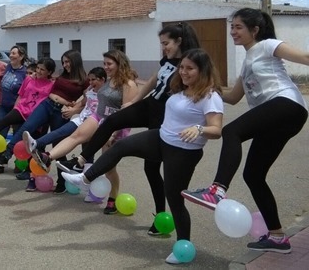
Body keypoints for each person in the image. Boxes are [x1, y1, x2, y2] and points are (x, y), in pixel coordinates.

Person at [182, 8, 309, 254]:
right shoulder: (247, 63)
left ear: (255, 30)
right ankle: (277, 237)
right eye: (232, 27)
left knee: (231, 131)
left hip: (287, 104)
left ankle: (216, 190)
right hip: (279, 118)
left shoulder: (268, 46)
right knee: (253, 175)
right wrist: (204, 86)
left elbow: (306, 58)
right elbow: (233, 97)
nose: (233, 31)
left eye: (239, 27)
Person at [63, 48, 224, 265]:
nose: (184, 72)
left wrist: (199, 129)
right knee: (121, 148)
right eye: (182, 67)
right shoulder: (179, 89)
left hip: (183, 152)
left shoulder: (210, 96)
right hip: (161, 138)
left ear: (202, 70)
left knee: (175, 199)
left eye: (190, 69)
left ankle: (183, 247)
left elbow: (217, 129)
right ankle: (84, 179)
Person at [53, 22, 201, 233]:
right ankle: (81, 160)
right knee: (113, 119)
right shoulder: (169, 60)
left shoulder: (190, 65)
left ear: (180, 41)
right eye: (161, 44)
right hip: (150, 104)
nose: (163, 47)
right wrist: (135, 101)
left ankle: (160, 218)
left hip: (163, 115)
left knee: (151, 169)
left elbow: (199, 96)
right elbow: (152, 80)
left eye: (166, 43)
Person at [28, 50, 140, 197]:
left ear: (120, 64)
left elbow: (127, 114)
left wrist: (114, 134)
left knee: (109, 168)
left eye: (109, 64)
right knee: (75, 136)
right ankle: (47, 157)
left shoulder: (128, 84)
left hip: (115, 125)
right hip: (98, 117)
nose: (106, 67)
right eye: (104, 63)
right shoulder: (109, 81)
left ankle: (113, 196)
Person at [0, 50, 88, 175]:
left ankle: (61, 181)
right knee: (26, 129)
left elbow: (87, 101)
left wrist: (74, 110)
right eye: (63, 62)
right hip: (47, 105)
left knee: (57, 144)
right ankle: (6, 156)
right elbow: (47, 83)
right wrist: (33, 75)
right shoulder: (62, 75)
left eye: (67, 62)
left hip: (61, 113)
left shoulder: (84, 80)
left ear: (75, 61)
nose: (65, 65)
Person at [0, 58, 56, 174]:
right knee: (3, 121)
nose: (38, 71)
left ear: (49, 72)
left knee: (30, 143)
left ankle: (28, 170)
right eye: (38, 68)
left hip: (35, 116)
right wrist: (15, 108)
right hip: (21, 109)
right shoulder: (29, 79)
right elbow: (21, 95)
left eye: (42, 70)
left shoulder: (52, 85)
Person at [0, 45, 29, 135]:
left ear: (21, 57)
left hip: (17, 110)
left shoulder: (25, 73)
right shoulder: (8, 67)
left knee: (17, 134)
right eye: (10, 53)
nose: (10, 55)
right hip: (4, 107)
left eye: (14, 53)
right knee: (0, 133)